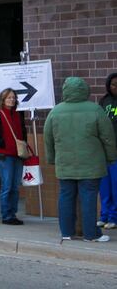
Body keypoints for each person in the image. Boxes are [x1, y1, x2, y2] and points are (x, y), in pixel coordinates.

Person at [45, 77, 117, 242]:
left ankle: (66, 232)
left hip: (65, 163)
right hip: (91, 164)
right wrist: (111, 157)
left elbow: (48, 139)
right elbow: (108, 137)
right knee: (89, 198)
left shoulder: (55, 111)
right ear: (85, 90)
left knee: (65, 196)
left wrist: (52, 159)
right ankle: (91, 234)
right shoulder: (95, 110)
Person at [0, 88, 26, 225]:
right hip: (4, 156)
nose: (11, 100)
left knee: (15, 187)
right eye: (8, 97)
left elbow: (23, 132)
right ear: (2, 100)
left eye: (13, 97)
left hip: (18, 155)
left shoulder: (17, 114)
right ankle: (6, 215)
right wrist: (5, 145)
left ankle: (13, 213)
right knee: (7, 186)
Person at [99, 73, 117, 230]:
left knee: (115, 187)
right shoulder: (104, 101)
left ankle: (114, 217)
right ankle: (104, 215)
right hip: (104, 153)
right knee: (104, 188)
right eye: (113, 85)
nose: (115, 87)